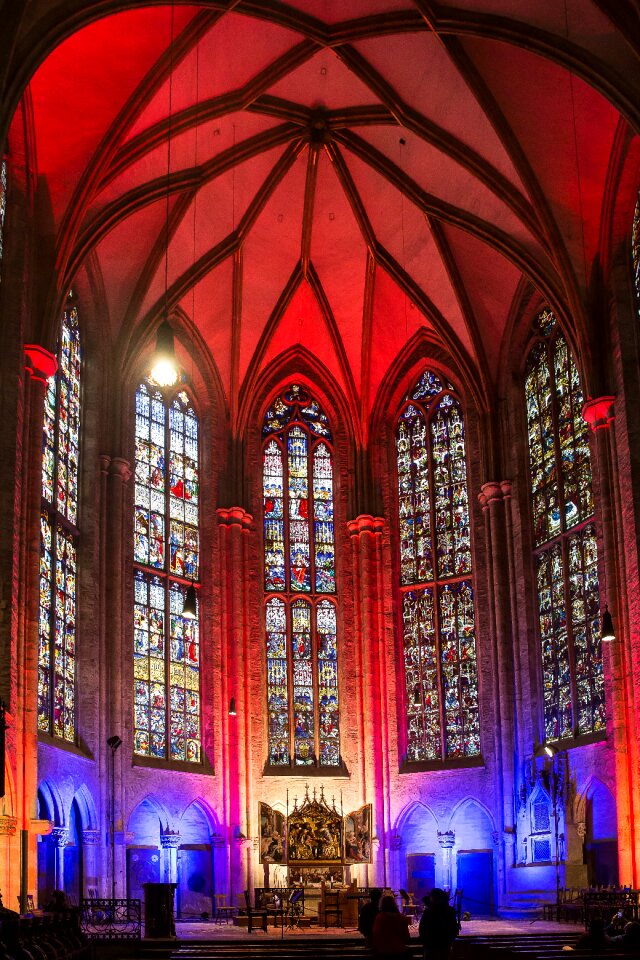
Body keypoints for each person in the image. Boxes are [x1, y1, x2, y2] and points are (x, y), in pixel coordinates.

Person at [419, 888, 460, 960]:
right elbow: (453, 927)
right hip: (445, 943)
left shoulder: (429, 911)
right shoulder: (450, 910)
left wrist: (424, 940)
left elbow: (422, 928)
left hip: (431, 944)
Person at [371, 894, 411, 958]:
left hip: (384, 951)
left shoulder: (380, 918)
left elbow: (376, 934)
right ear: (394, 904)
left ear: (382, 904)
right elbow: (406, 936)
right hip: (399, 950)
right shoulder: (402, 918)